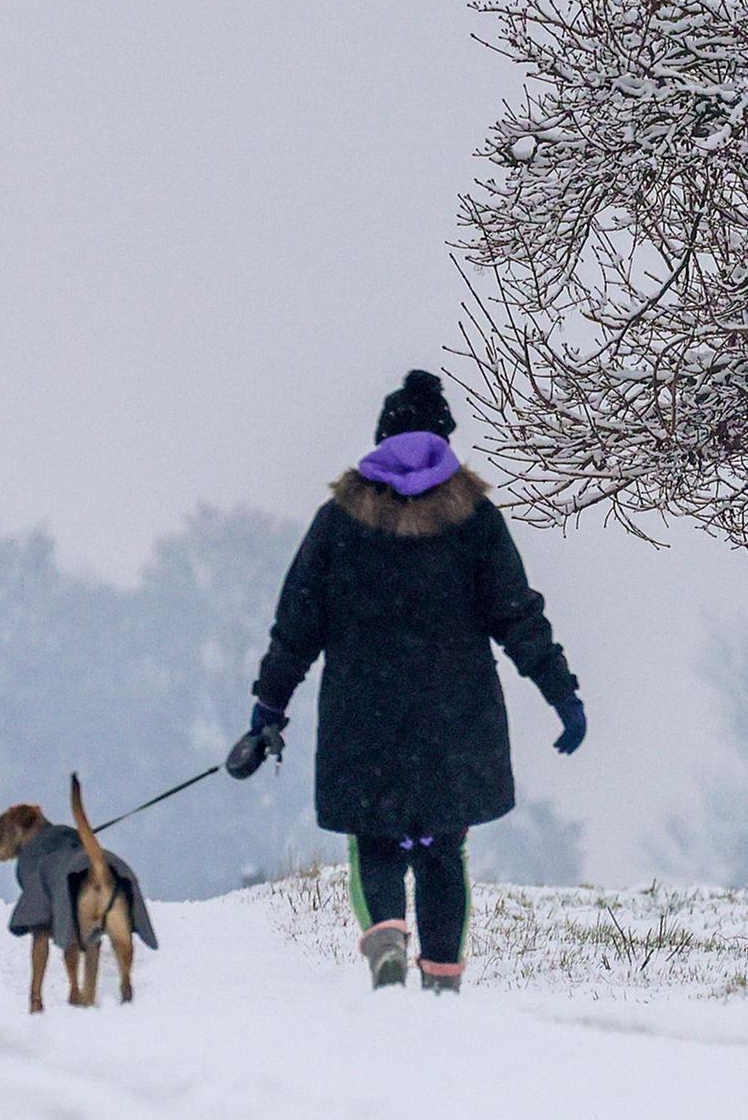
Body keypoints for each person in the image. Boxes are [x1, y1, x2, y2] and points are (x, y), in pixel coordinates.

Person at [229, 370, 585, 992]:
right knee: (444, 846)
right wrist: (561, 694)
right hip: (457, 713)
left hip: (363, 711)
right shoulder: (475, 520)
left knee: (376, 839)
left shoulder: (338, 521)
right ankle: (443, 981)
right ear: (446, 440)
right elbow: (516, 614)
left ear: (380, 438)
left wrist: (269, 708)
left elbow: (297, 622)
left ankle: (388, 939)